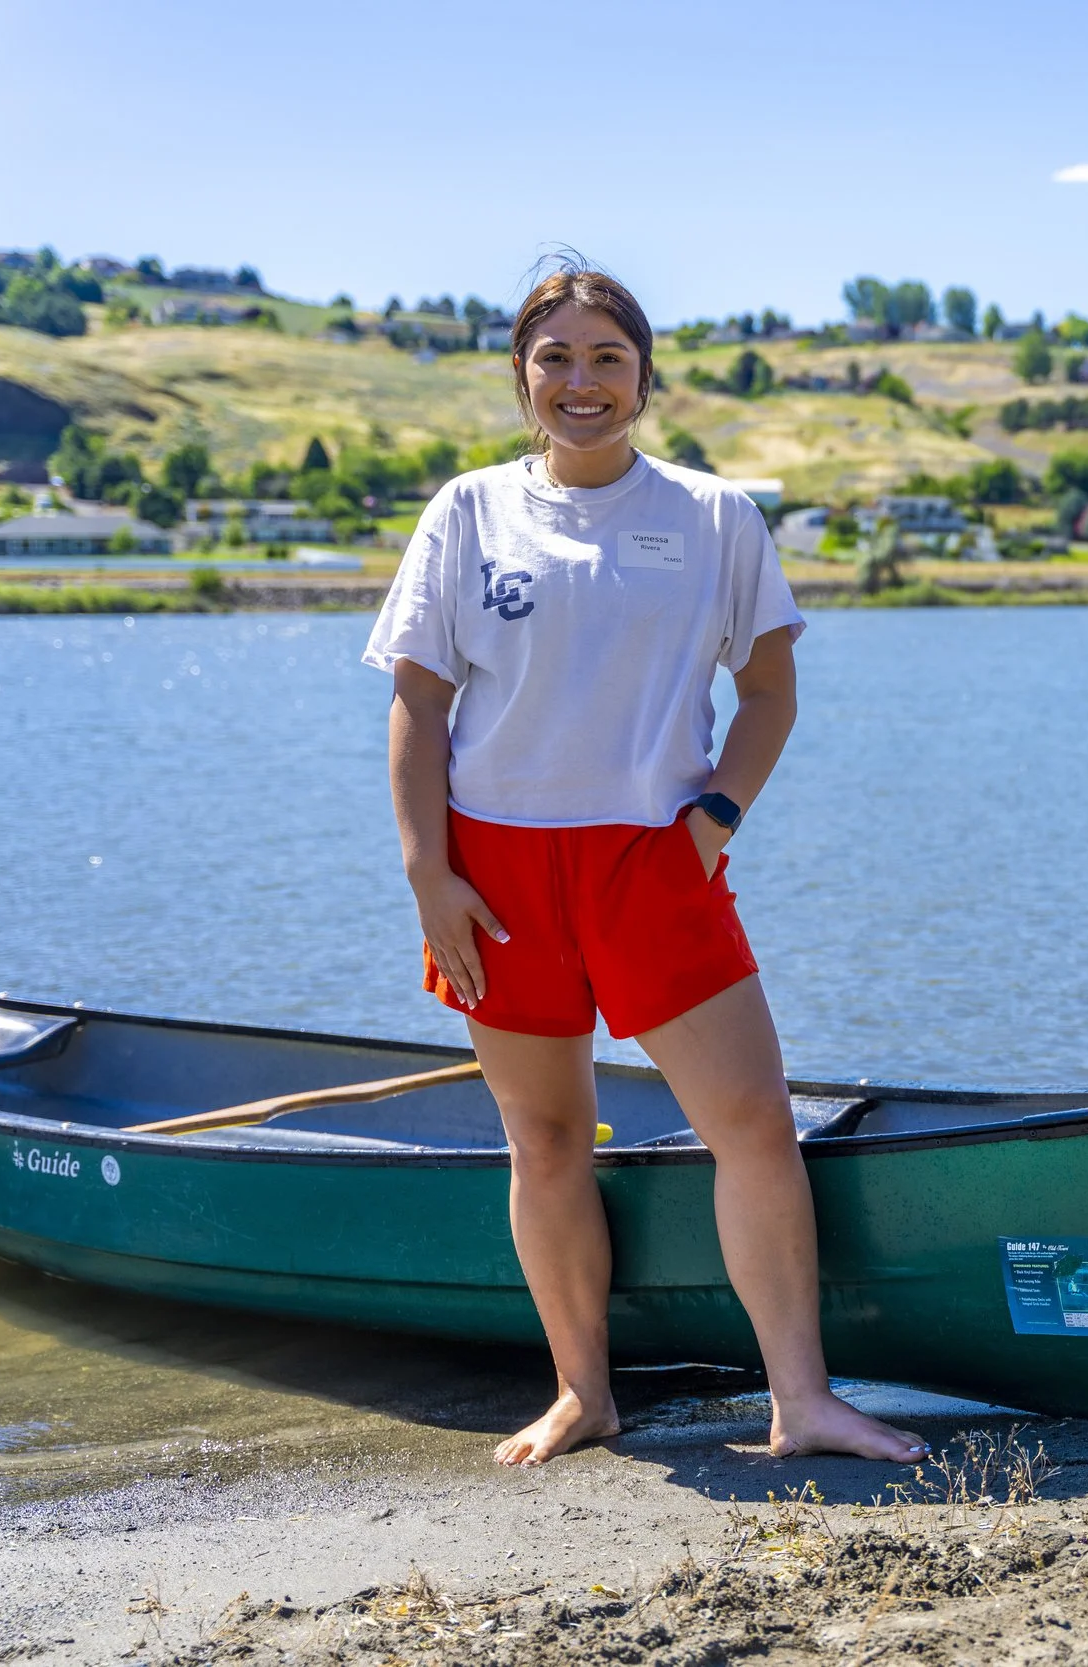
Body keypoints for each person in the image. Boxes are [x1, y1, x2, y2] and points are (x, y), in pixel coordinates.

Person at [363, 261, 926, 1469]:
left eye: (605, 358)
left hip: (653, 858)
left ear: (644, 378)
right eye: (555, 358)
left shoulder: (715, 516)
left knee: (752, 1125)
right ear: (522, 376)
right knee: (548, 1140)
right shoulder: (466, 512)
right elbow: (415, 701)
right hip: (495, 872)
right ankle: (585, 1393)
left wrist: (717, 813)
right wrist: (428, 873)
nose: (580, 382)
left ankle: (802, 1398)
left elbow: (769, 688)